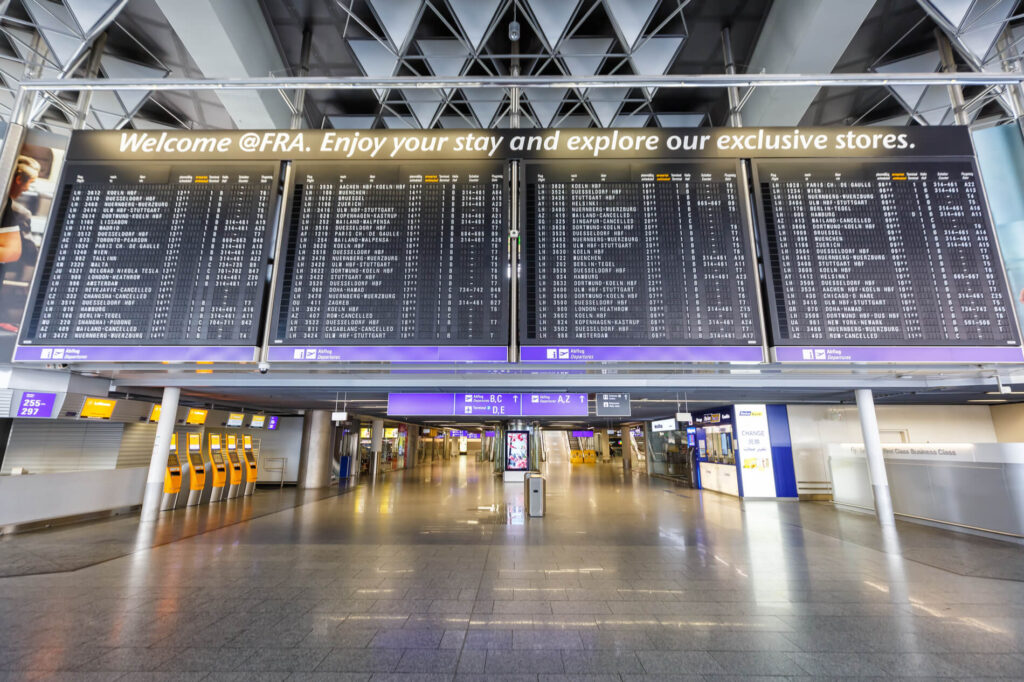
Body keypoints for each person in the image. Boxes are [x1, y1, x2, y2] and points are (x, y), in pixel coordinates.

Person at [0, 155, 41, 267]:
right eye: (30, 182)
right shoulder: (17, 213)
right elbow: (29, 255)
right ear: (18, 180)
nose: (27, 188)